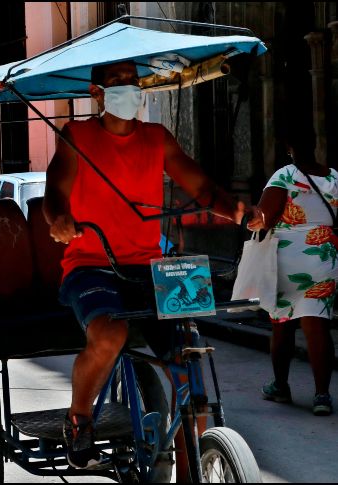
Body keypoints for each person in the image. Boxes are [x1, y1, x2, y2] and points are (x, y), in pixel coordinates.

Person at [44, 60, 244, 470]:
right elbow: (55, 191)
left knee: (190, 358)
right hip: (91, 264)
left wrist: (239, 213)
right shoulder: (76, 135)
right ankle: (79, 418)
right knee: (109, 334)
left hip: (152, 267)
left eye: (133, 81)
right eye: (117, 81)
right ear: (96, 93)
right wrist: (59, 220)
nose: (128, 88)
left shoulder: (157, 137)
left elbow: (202, 187)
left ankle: (192, 471)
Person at [247, 127, 336, 416]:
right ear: (315, 144)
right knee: (318, 324)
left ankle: (281, 386)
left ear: (289, 148)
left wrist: (251, 219)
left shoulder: (285, 175)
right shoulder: (334, 177)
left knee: (282, 323)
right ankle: (322, 395)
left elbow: (264, 217)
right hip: (324, 255)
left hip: (288, 256)